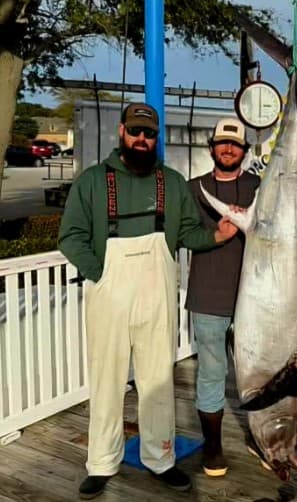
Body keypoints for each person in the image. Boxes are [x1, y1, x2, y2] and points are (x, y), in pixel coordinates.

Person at [59, 102, 229, 500]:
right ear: (121, 132)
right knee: (107, 381)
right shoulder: (92, 182)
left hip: (157, 296)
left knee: (157, 380)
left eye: (149, 133)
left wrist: (215, 237)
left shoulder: (171, 182)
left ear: (156, 138)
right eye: (135, 131)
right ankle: (101, 462)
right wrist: (99, 273)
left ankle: (160, 459)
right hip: (109, 295)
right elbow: (70, 236)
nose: (141, 139)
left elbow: (189, 232)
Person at [185, 118, 260, 478]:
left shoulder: (261, 187)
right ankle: (213, 447)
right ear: (211, 148)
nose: (228, 149)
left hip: (258, 304)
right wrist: (213, 234)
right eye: (221, 144)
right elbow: (182, 235)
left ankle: (265, 439)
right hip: (208, 298)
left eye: (235, 145)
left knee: (261, 375)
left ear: (245, 151)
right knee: (212, 374)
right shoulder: (192, 189)